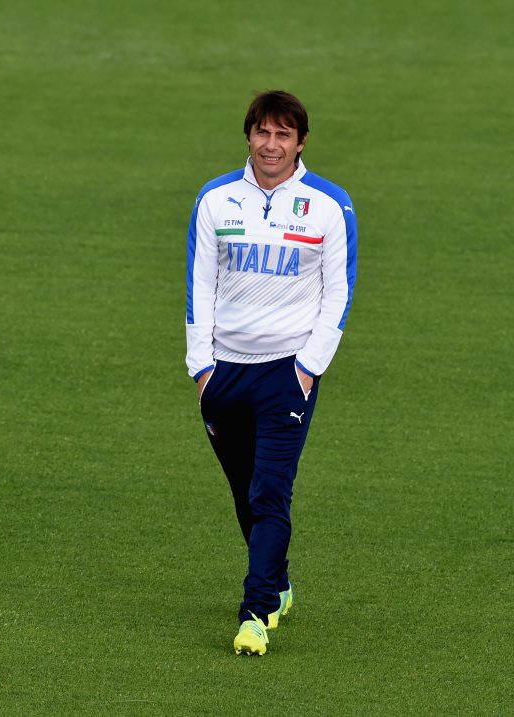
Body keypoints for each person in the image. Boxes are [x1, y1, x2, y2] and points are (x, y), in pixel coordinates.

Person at [185, 90, 358, 655]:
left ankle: (255, 612)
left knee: (270, 492)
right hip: (224, 375)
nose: (271, 144)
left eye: (284, 135)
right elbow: (199, 287)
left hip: (288, 372)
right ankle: (278, 581)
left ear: (301, 142)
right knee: (244, 493)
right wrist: (201, 369)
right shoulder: (215, 200)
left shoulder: (330, 206)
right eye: (263, 132)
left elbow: (339, 293)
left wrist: (308, 369)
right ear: (249, 137)